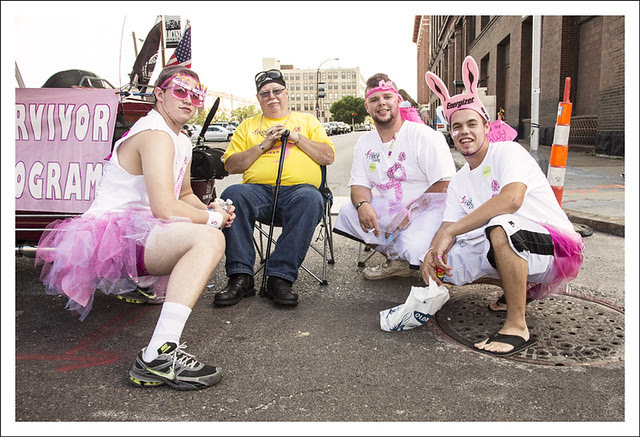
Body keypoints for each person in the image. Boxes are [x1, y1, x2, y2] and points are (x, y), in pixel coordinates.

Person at [36, 66, 236, 390]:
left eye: (196, 95)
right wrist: (212, 222)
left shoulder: (180, 138)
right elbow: (165, 208)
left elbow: (184, 194)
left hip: (141, 229)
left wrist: (212, 209)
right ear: (159, 94)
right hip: (113, 235)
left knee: (207, 230)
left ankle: (144, 287)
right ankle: (158, 355)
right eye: (180, 91)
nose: (189, 100)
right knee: (209, 240)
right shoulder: (155, 134)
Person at [423, 56, 584, 356]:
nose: (464, 132)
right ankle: (518, 289)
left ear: (486, 125)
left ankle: (516, 326)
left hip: (557, 249)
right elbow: (447, 226)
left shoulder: (507, 152)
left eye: (472, 124)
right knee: (449, 264)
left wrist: (453, 231)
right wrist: (431, 254)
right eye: (456, 127)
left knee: (500, 225)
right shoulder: (460, 180)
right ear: (450, 133)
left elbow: (512, 200)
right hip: (520, 245)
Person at [214, 68, 335, 307]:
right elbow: (231, 165)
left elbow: (328, 156)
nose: (272, 97)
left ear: (286, 93)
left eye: (277, 91)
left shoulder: (307, 121)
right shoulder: (247, 126)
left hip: (299, 194)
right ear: (258, 98)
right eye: (265, 93)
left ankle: (279, 277)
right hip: (258, 193)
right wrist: (264, 144)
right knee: (233, 194)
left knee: (311, 198)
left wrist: (295, 138)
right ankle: (241, 277)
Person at [333, 74, 456, 280]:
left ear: (398, 100)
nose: (381, 103)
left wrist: (410, 211)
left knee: (413, 248)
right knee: (348, 212)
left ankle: (419, 258)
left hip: (429, 210)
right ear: (367, 106)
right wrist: (363, 204)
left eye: (387, 97)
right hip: (391, 208)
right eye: (374, 99)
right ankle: (397, 261)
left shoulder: (424, 135)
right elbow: (358, 185)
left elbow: (446, 183)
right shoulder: (365, 142)